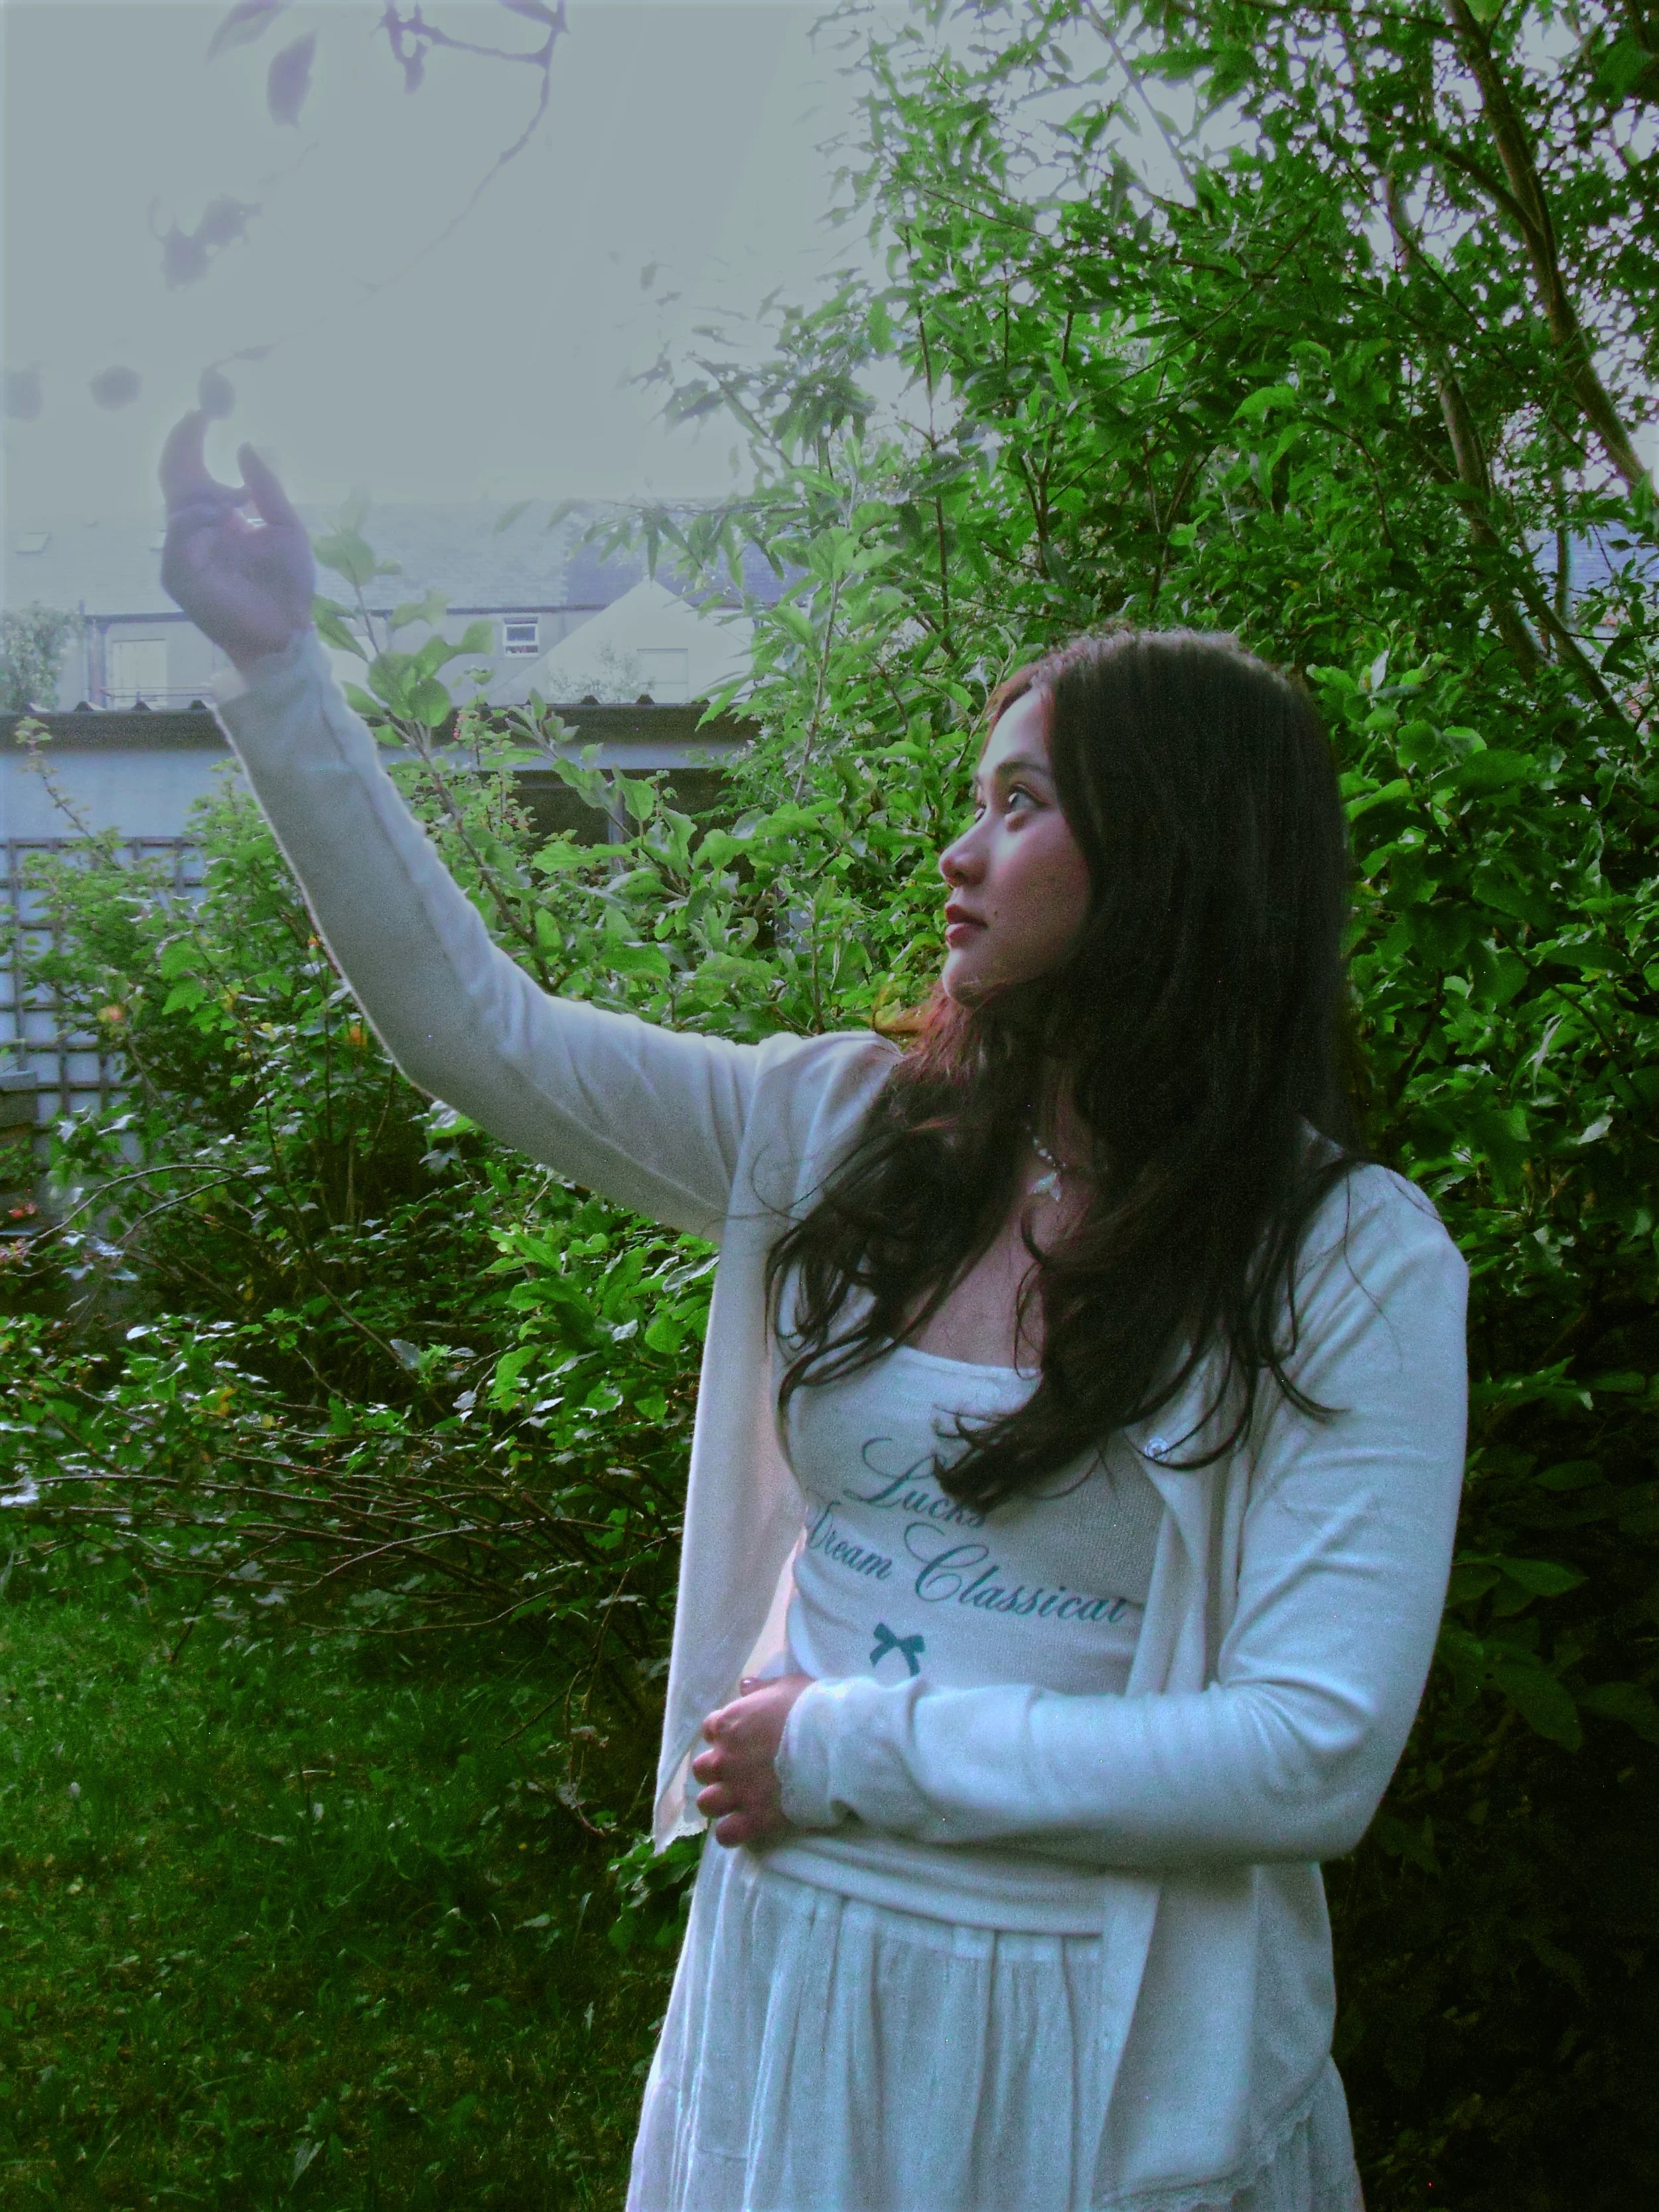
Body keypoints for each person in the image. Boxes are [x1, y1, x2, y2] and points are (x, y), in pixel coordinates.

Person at [159, 413, 1467, 2212]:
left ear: (1171, 859)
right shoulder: (844, 1131)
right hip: (793, 1978)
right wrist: (277, 667)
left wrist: (849, 1743)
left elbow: (1306, 1752)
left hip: (1098, 2052)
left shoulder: (1345, 1258)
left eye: (1019, 805)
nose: (957, 852)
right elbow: (486, 1033)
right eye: (972, 796)